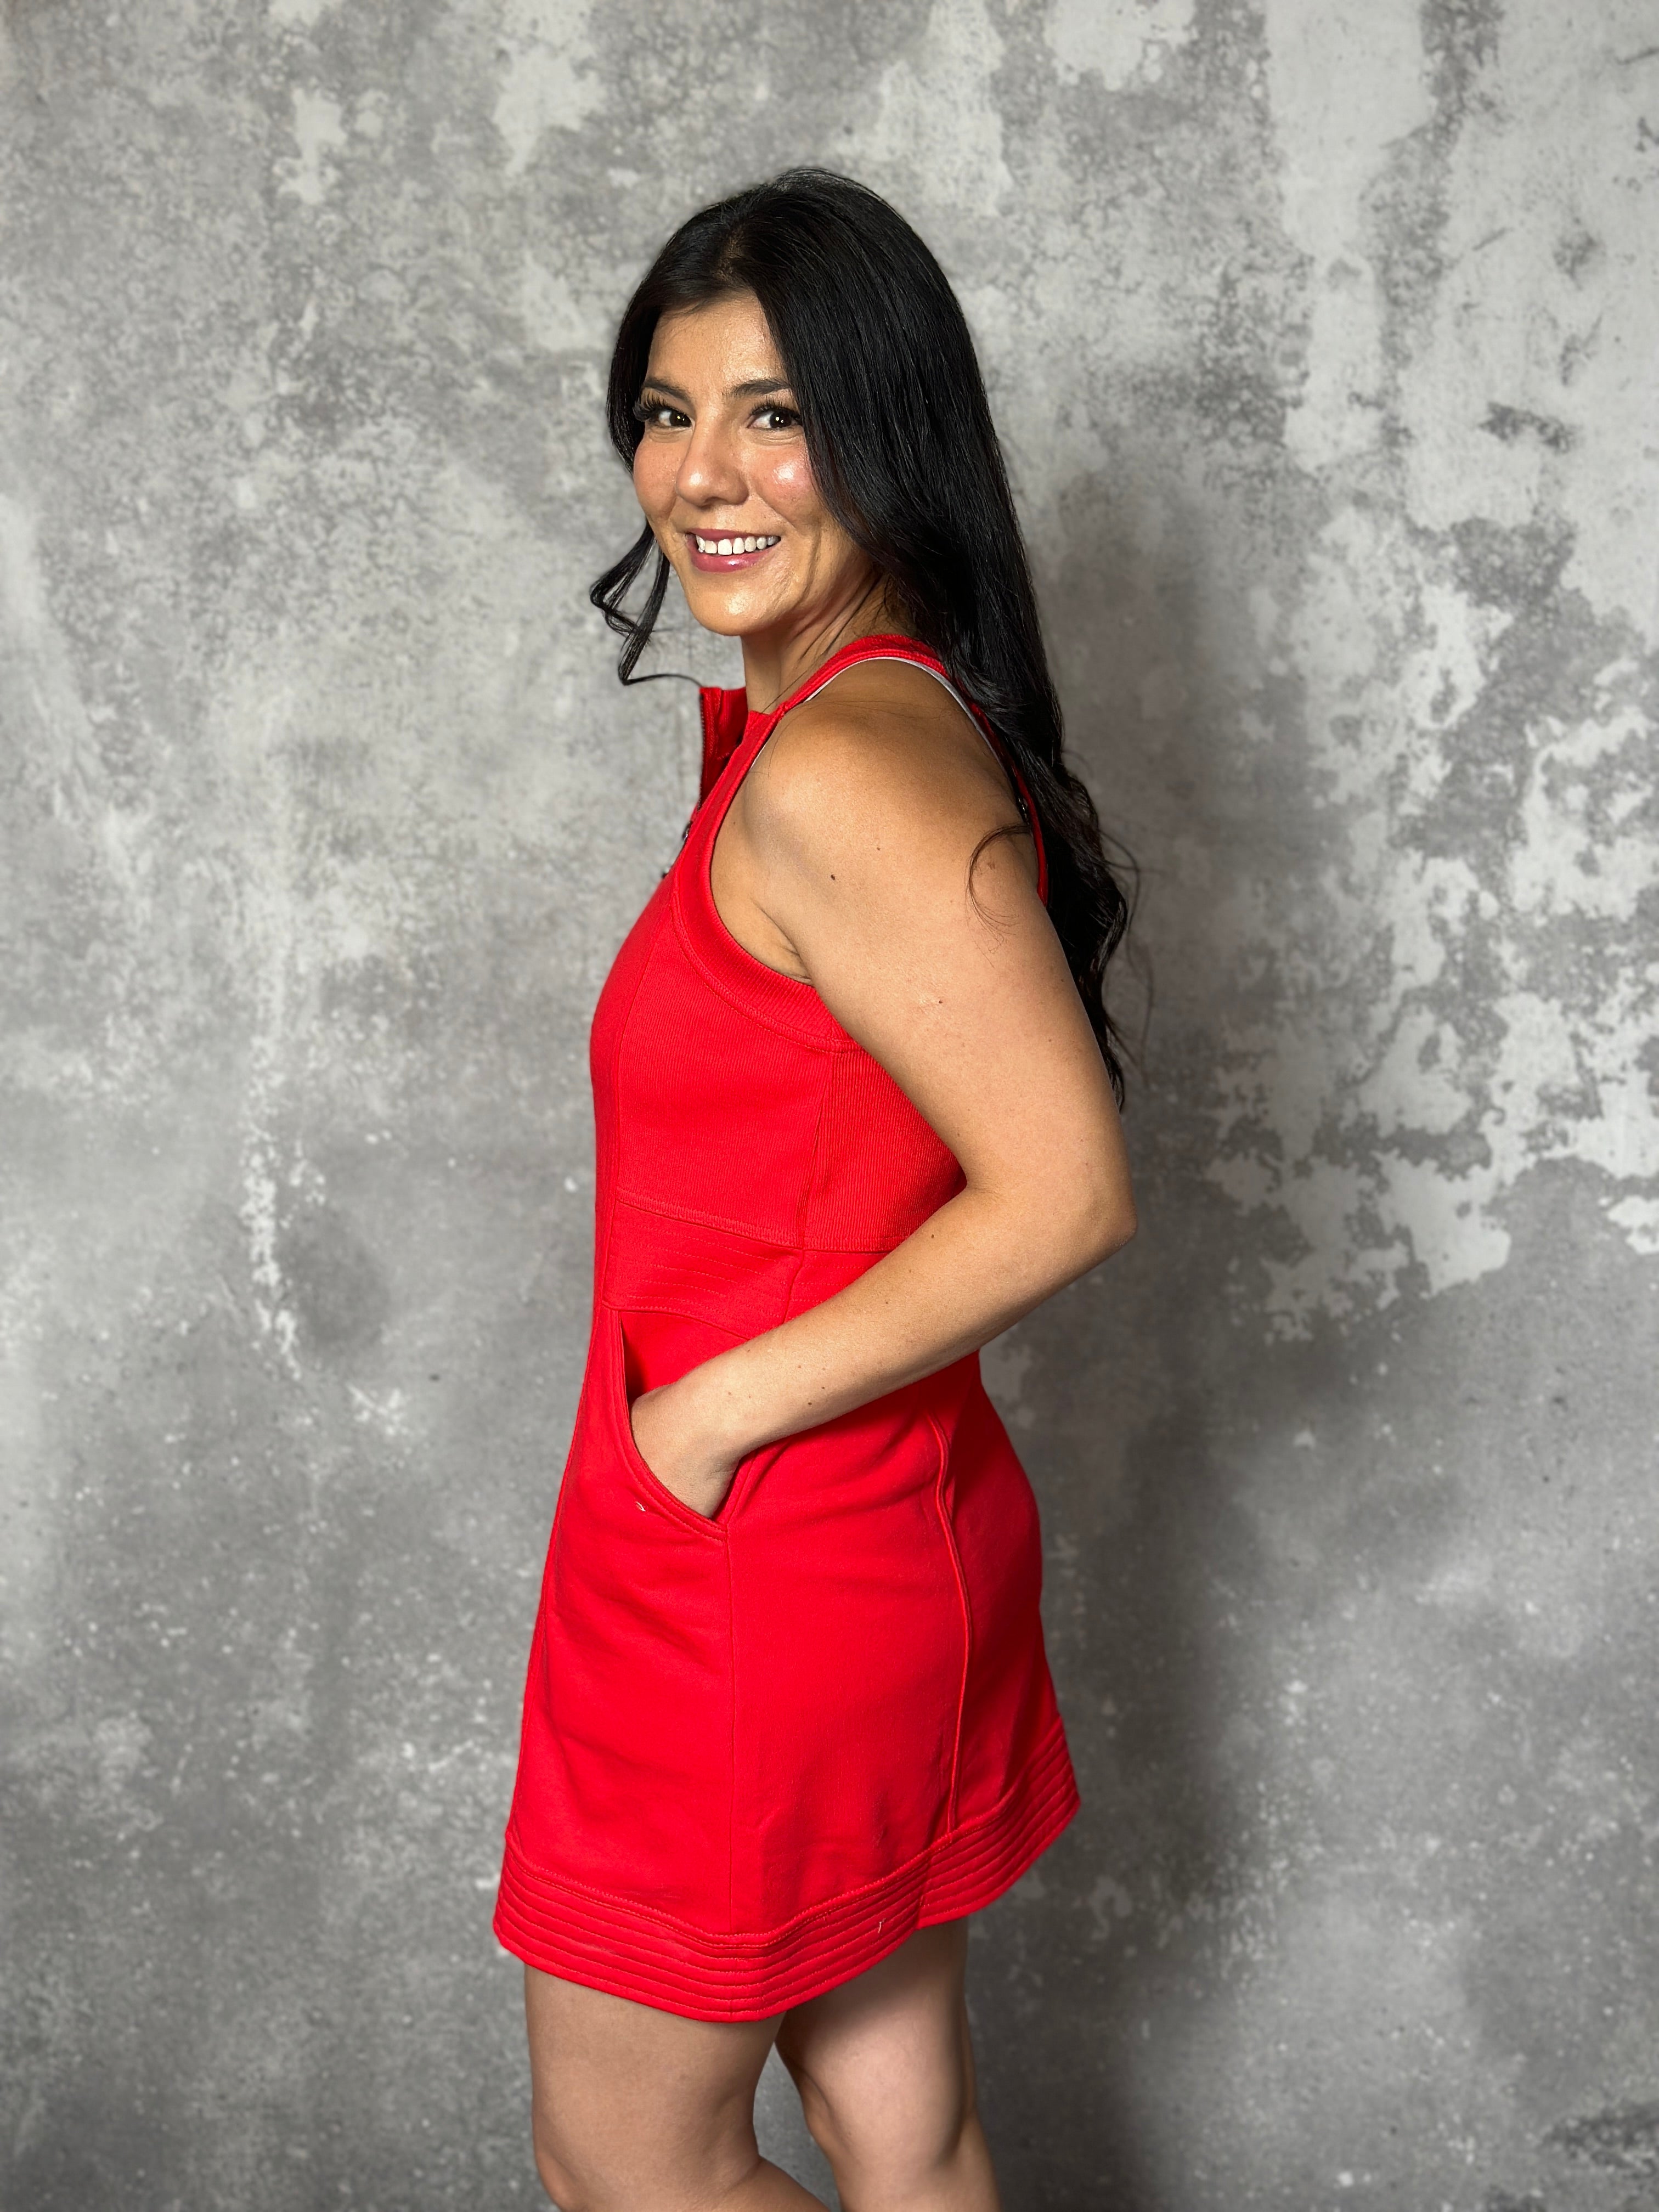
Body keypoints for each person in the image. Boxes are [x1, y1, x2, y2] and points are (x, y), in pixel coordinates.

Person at [494, 168, 1137, 2212]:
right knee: (901, 2130)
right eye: (666, 412)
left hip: (751, 1575)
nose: (704, 473)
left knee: (628, 2167)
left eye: (775, 414)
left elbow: (1062, 1191)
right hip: (874, 1541)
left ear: (888, 430)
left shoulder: (846, 773)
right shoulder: (874, 726)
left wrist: (696, 1424)